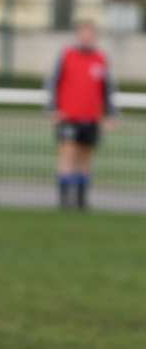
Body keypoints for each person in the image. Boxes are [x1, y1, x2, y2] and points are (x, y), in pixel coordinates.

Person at [44, 20, 118, 211]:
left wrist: (110, 114)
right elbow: (52, 81)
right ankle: (64, 199)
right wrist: (52, 108)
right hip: (69, 116)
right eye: (84, 33)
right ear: (77, 34)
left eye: (91, 33)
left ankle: (81, 199)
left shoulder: (100, 58)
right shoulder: (66, 54)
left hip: (90, 117)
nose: (87, 37)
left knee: (85, 157)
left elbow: (107, 88)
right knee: (67, 154)